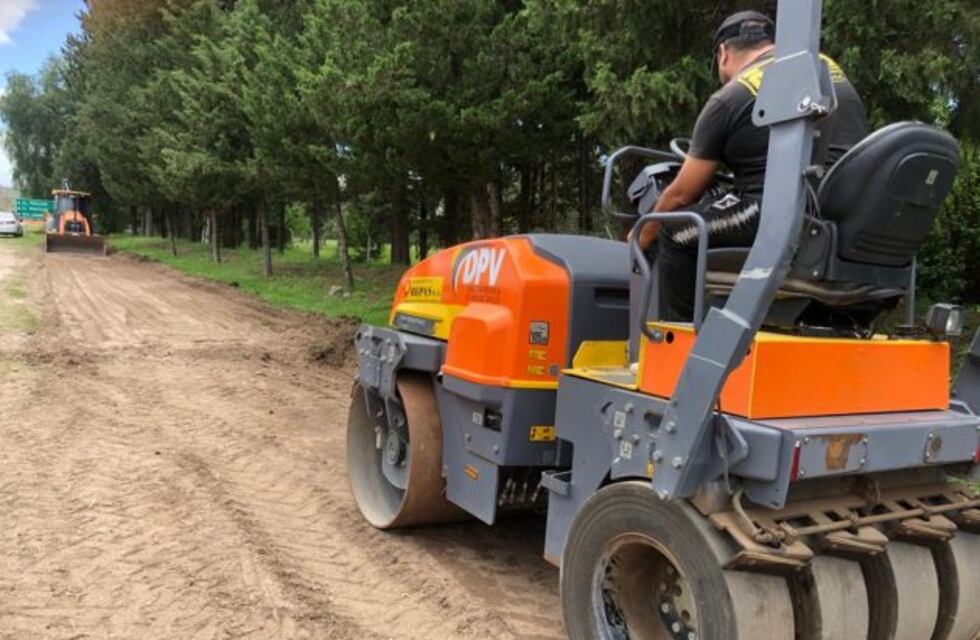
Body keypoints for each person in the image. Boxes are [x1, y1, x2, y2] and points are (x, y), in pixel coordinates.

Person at [636, 10, 869, 320]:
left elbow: (680, 195)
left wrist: (640, 238)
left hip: (779, 215)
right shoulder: (827, 70)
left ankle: (678, 346)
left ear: (723, 53)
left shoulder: (730, 97)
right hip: (844, 217)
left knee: (676, 233)